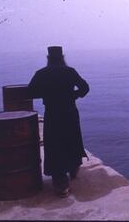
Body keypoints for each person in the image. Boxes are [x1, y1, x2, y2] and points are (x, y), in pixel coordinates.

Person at [28, 46, 89, 198]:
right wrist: (74, 95)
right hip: (69, 112)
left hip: (53, 113)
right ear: (62, 57)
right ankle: (74, 168)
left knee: (54, 144)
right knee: (72, 139)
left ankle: (60, 180)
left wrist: (46, 93)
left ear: (48, 58)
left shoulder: (41, 73)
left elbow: (30, 92)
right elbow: (85, 88)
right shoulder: (70, 71)